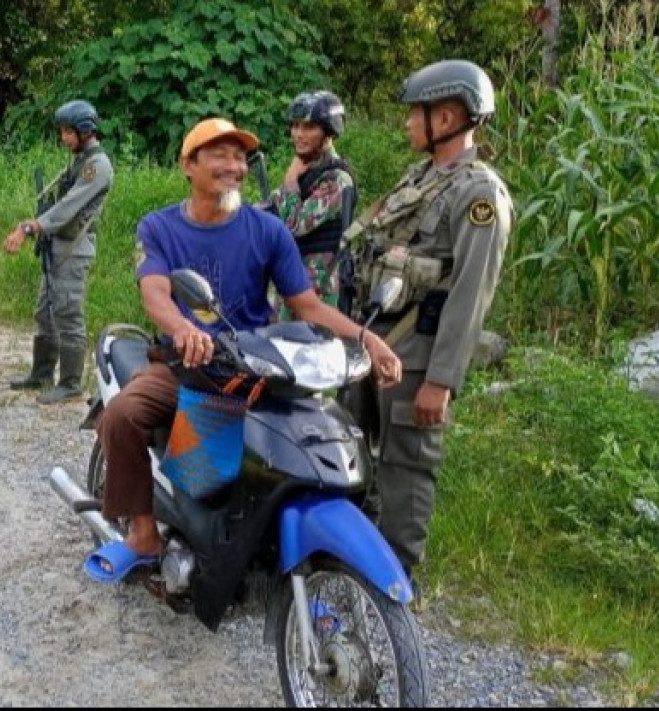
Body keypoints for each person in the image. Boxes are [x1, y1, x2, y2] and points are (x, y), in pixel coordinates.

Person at [86, 118, 402, 580]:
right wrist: (183, 329)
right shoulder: (159, 227)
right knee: (122, 415)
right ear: (188, 165)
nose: (234, 166)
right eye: (219, 154)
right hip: (186, 365)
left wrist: (367, 339)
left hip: (256, 367)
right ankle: (142, 532)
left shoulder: (267, 230)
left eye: (239, 157)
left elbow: (308, 305)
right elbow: (155, 293)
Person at [342, 59, 513, 579]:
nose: (407, 123)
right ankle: (352, 560)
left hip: (416, 355)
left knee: (407, 468)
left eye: (415, 113)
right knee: (354, 451)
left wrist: (441, 380)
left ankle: (395, 580)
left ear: (446, 118)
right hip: (374, 345)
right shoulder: (421, 177)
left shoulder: (479, 194)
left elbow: (470, 294)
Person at [2, 99, 114, 404]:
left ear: (85, 130)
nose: (63, 138)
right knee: (45, 311)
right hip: (58, 246)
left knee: (68, 313)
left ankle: (70, 382)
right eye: (62, 131)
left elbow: (68, 208)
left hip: (73, 249)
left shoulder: (97, 166)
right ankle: (42, 373)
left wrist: (33, 227)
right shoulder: (80, 161)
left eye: (68, 131)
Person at [262, 90, 358, 317]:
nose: (298, 134)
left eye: (309, 127)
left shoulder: (337, 180)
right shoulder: (307, 173)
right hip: (292, 289)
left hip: (319, 296)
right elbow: (270, 209)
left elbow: (294, 225)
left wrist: (290, 181)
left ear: (328, 132)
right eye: (295, 126)